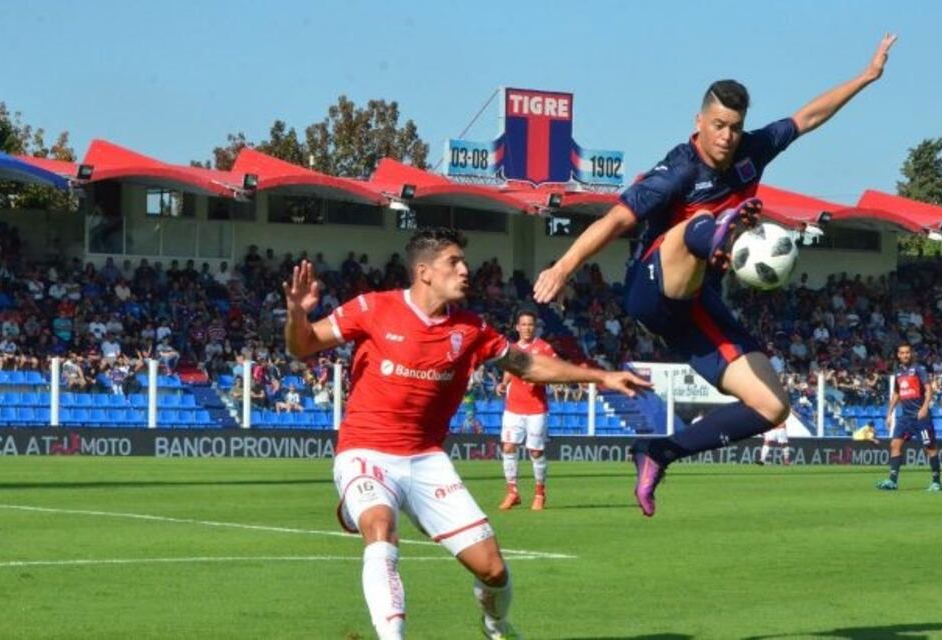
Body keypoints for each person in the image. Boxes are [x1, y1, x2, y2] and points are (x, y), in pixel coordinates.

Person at [534, 34, 897, 517]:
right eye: (719, 125)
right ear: (699, 122)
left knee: (774, 406)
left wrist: (866, 77)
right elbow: (617, 219)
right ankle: (727, 235)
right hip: (650, 286)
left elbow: (807, 118)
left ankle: (659, 452)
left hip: (696, 306)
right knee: (697, 224)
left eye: (735, 127)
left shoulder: (752, 150)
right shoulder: (678, 170)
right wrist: (563, 266)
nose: (727, 136)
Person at [284, 228, 648, 640]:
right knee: (380, 528)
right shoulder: (372, 307)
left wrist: (601, 376)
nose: (465, 269)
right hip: (365, 450)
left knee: (493, 569)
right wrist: (298, 314)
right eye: (453, 262)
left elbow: (528, 366)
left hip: (426, 459)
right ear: (424, 272)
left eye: (463, 261)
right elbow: (303, 346)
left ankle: (495, 625)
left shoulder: (471, 329)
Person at [495, 310, 557, 511]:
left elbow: (555, 371)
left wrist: (540, 379)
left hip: (536, 409)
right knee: (508, 447)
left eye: (530, 324)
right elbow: (508, 370)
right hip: (513, 407)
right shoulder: (512, 349)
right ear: (517, 327)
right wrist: (502, 384)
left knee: (535, 451)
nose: (527, 328)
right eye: (523, 324)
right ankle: (512, 492)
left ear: (535, 326)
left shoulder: (544, 348)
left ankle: (540, 493)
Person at [877, 343, 942, 492]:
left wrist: (925, 407)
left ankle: (936, 481)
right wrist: (889, 413)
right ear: (898, 355)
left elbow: (928, 389)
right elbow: (897, 394)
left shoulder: (919, 369)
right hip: (905, 417)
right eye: (902, 353)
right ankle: (892, 481)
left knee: (929, 448)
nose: (905, 355)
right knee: (894, 445)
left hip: (920, 417)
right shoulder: (898, 372)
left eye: (907, 352)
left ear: (911, 354)